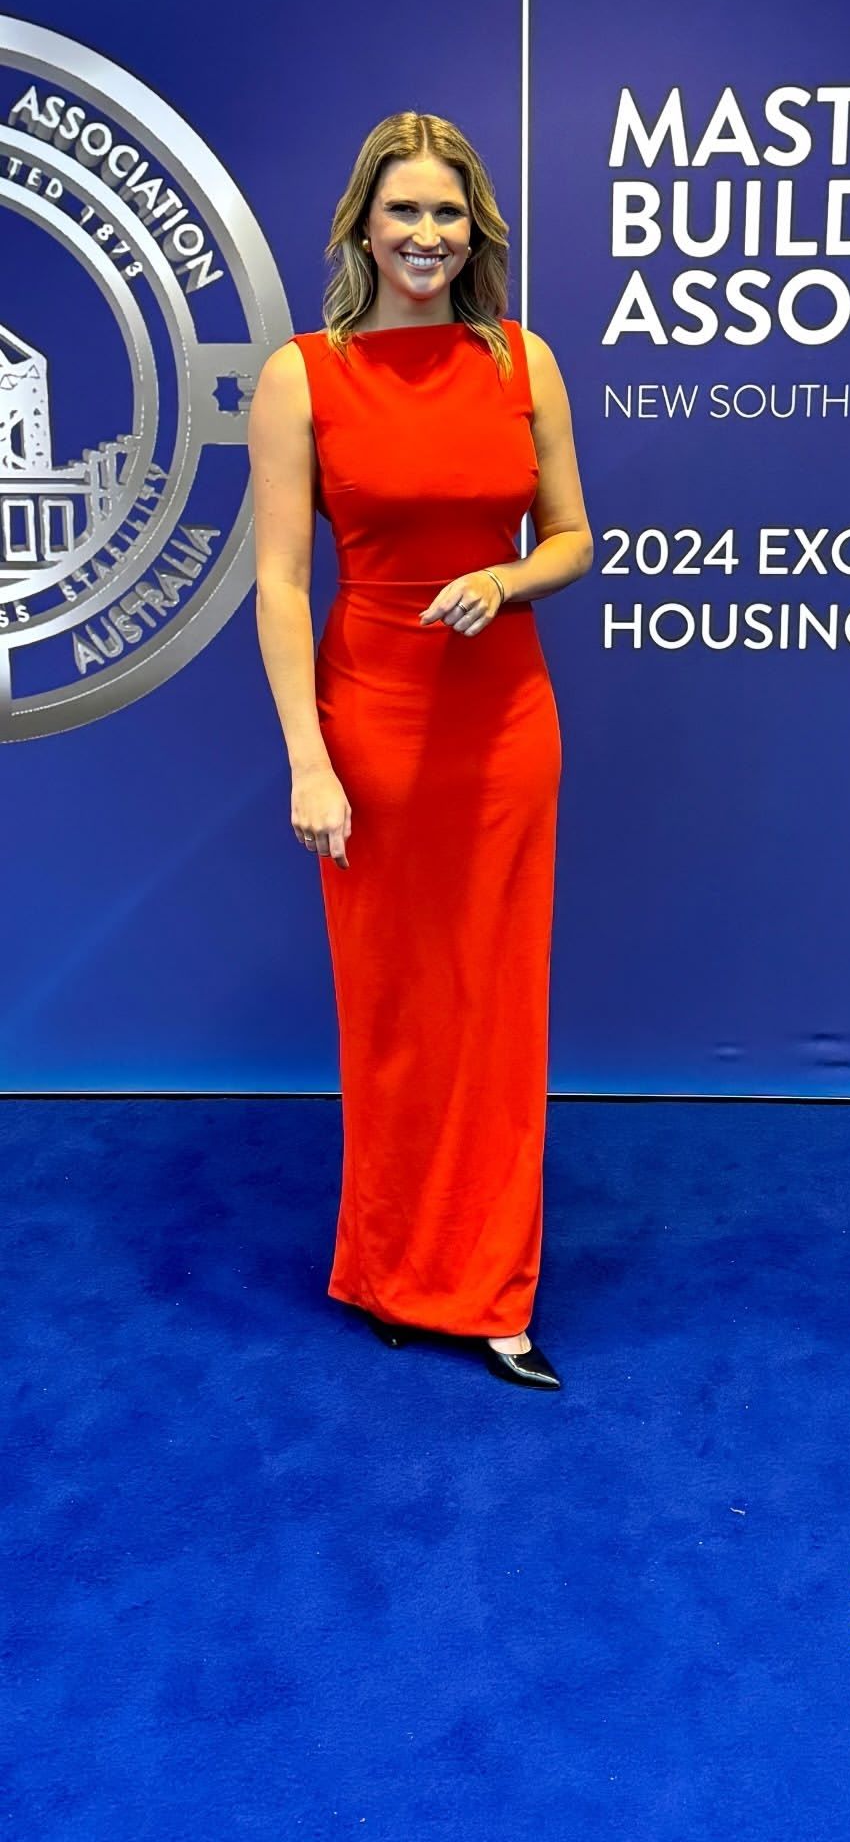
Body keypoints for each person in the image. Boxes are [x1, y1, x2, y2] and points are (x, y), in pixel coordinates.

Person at [248, 112, 593, 1390]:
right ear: (362, 226)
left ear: (475, 230)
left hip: (503, 726)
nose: (427, 234)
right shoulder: (303, 377)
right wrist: (308, 758)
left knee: (496, 1008)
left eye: (448, 212)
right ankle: (392, 1270)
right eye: (405, 210)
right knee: (393, 1012)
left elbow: (573, 538)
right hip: (373, 724)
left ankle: (492, 1290)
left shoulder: (521, 360)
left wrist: (505, 580)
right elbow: (282, 583)